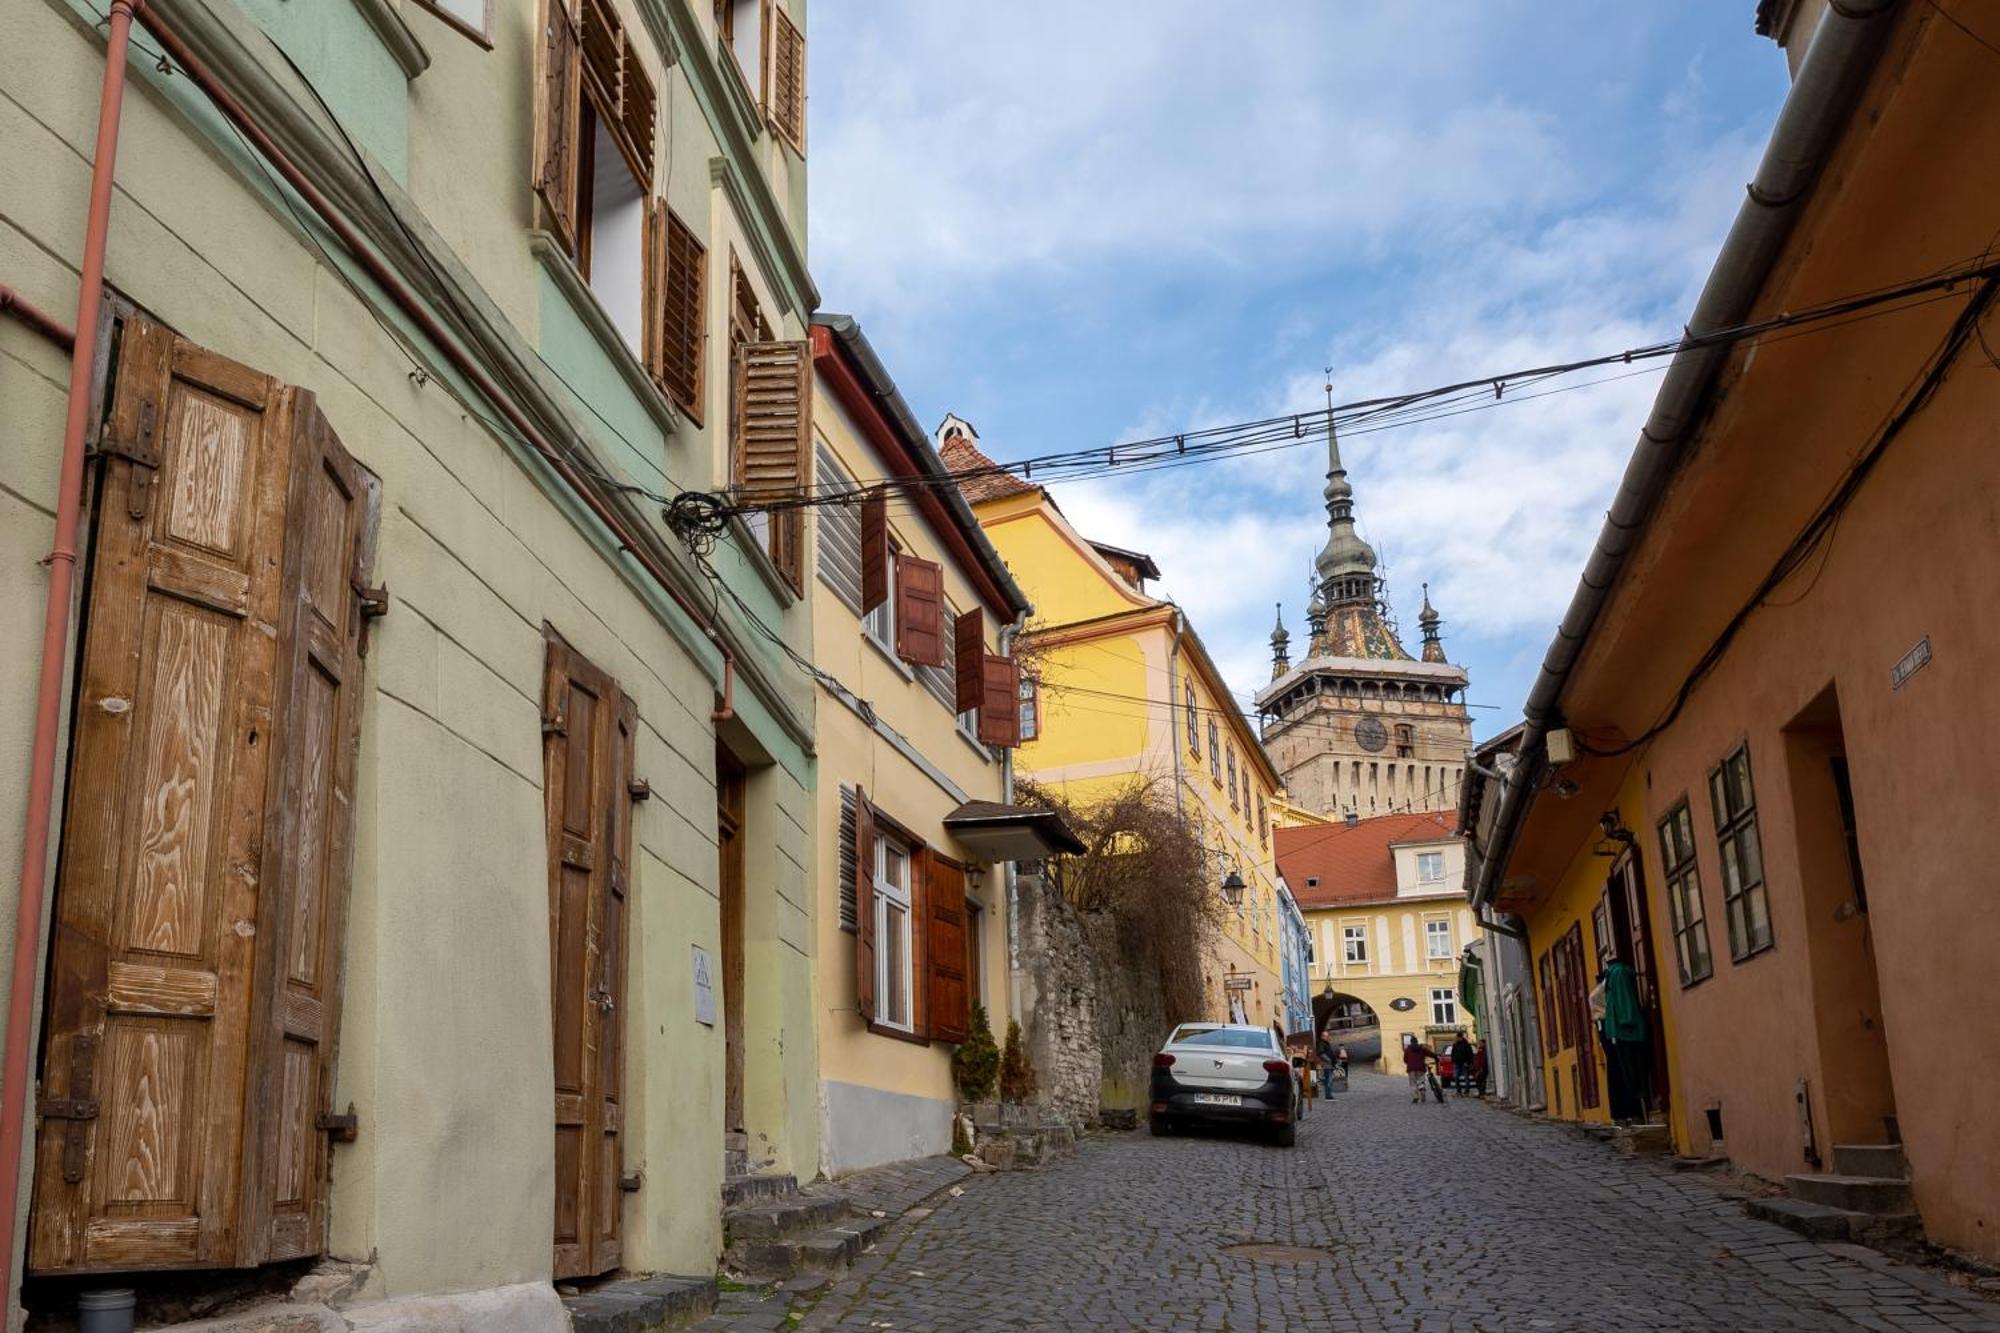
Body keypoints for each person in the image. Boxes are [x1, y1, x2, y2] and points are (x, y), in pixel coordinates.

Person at [1402, 1035, 1438, 1104]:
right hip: (1421, 1068)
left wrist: (1409, 1062)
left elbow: (1405, 1060)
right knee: (1420, 1081)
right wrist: (1436, 1057)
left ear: (1410, 1042)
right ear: (1417, 1042)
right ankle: (1422, 1094)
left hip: (1411, 1069)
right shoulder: (1422, 1048)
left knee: (1413, 1083)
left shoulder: (1407, 1050)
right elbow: (1430, 1053)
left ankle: (1415, 1097)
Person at [1449, 1029, 1476, 1097]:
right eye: (1457, 1037)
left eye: (1458, 1037)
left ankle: (1467, 1091)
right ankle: (1459, 1091)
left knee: (1466, 1077)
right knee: (1456, 1077)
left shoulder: (1466, 1044)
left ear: (1461, 1037)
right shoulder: (1455, 1045)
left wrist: (1469, 1062)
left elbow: (1470, 1054)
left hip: (1464, 1063)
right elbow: (1453, 1053)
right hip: (1457, 1063)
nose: (1457, 1038)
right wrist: (1453, 1061)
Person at [1317, 1032, 1338, 1099]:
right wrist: (1329, 1060)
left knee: (1329, 1079)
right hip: (1327, 1064)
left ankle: (1329, 1094)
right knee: (1328, 1080)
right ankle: (1328, 1095)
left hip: (1330, 1064)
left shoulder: (1326, 1043)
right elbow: (1321, 1053)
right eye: (1326, 1036)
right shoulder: (1322, 1043)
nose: (1327, 1037)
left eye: (1327, 1036)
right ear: (1322, 1036)